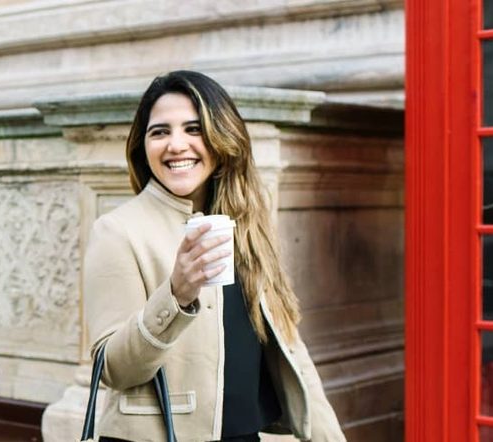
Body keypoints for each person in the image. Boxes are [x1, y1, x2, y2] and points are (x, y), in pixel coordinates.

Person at [83, 71, 345, 442]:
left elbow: (290, 347)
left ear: (222, 138)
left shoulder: (248, 225)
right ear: (142, 146)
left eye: (194, 129)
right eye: (160, 132)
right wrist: (176, 295)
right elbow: (112, 369)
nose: (176, 145)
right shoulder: (117, 230)